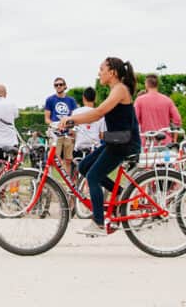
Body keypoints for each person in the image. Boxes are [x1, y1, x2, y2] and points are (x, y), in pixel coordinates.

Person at [55, 57, 141, 237]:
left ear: (113, 72)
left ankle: (98, 222)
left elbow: (98, 113)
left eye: (101, 69)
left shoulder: (119, 90)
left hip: (123, 143)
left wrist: (71, 119)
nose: (99, 72)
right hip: (116, 140)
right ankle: (120, 193)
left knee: (93, 176)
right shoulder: (116, 89)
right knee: (84, 166)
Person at [135, 74, 182, 145]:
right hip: (165, 142)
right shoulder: (167, 100)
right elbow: (177, 120)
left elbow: (134, 121)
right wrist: (174, 139)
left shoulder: (139, 100)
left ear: (146, 85)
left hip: (147, 143)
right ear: (157, 85)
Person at [44, 77, 76, 176]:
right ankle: (51, 183)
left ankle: (68, 185)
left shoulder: (71, 100)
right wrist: (56, 125)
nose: (58, 86)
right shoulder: (50, 100)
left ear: (65, 86)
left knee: (68, 160)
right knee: (53, 160)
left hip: (68, 133)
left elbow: (74, 117)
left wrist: (71, 129)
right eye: (56, 85)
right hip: (55, 133)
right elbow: (47, 119)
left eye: (60, 84)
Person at [70, 87, 105, 165]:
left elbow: (72, 133)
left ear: (83, 98)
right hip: (94, 149)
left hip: (79, 148)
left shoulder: (76, 112)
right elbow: (102, 136)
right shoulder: (100, 114)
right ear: (95, 98)